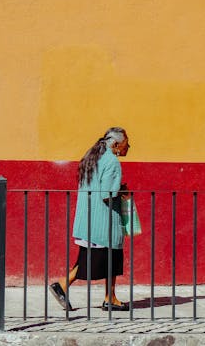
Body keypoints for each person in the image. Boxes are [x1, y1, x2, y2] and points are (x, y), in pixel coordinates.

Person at [50, 127, 131, 311]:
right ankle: (62, 285)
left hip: (88, 218)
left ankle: (110, 297)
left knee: (110, 258)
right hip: (103, 222)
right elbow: (107, 193)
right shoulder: (112, 162)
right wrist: (123, 191)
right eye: (127, 143)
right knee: (94, 260)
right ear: (117, 144)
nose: (128, 147)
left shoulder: (93, 156)